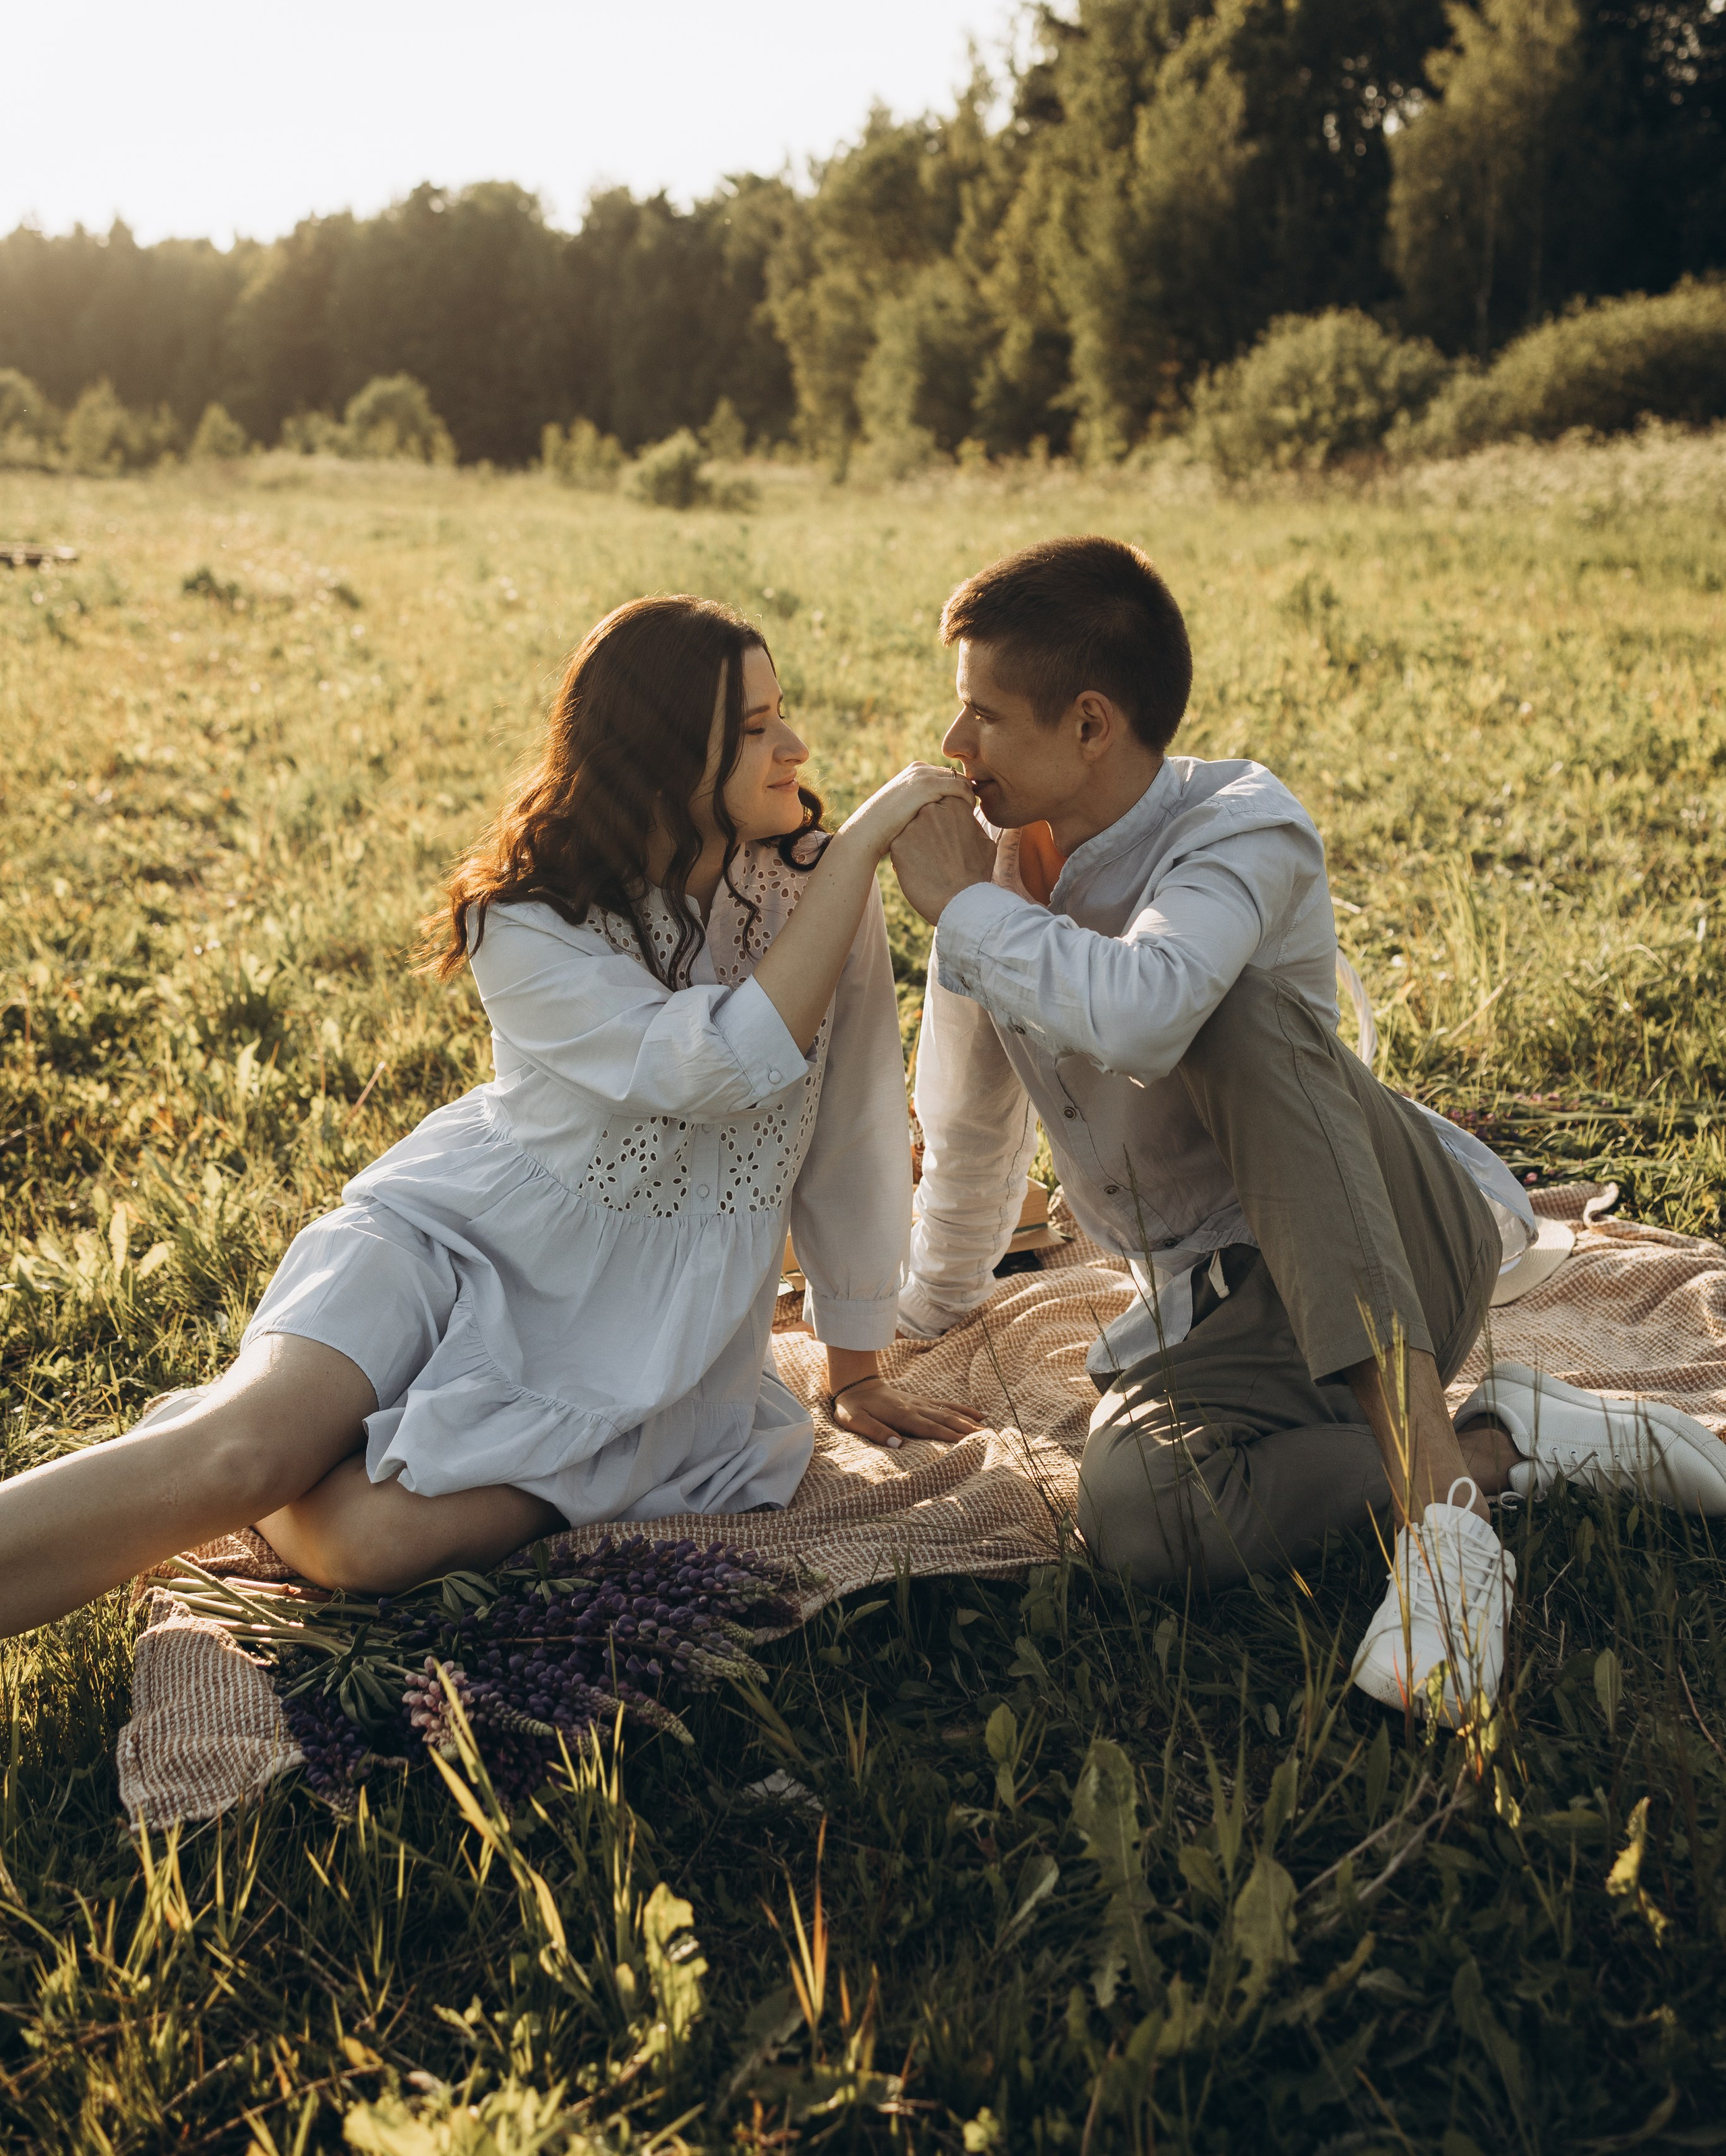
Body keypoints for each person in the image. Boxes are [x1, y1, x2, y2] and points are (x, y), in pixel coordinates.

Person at [0, 594, 980, 1641]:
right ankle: (260, 1442)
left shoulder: (809, 892)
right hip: (455, 1242)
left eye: (783, 712)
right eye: (752, 729)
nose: (794, 746)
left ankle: (299, 1439)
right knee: (244, 1458)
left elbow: (854, 1128)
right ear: (657, 758)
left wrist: (857, 1365)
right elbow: (711, 1068)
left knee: (367, 1547)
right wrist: (868, 839)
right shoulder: (526, 919)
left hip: (653, 1340)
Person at [889, 536, 1726, 1723]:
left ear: (1089, 724)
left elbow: (1151, 1009)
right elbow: (969, 1136)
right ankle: (1499, 1441)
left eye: (982, 715)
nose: (953, 746)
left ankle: (1443, 1526)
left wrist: (966, 910)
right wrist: (921, 1320)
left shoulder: (1240, 821)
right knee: (1134, 1520)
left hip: (1390, 1238)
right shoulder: (992, 884)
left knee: (1225, 1009)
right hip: (1222, 1311)